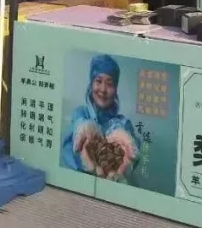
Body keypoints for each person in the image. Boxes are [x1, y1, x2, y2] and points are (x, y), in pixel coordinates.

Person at [60, 54, 141, 182]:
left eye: (109, 84)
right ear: (91, 84)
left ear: (115, 89)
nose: (103, 89)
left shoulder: (124, 123)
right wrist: (83, 127)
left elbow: (129, 136)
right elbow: (78, 124)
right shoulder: (81, 113)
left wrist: (120, 133)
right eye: (98, 81)